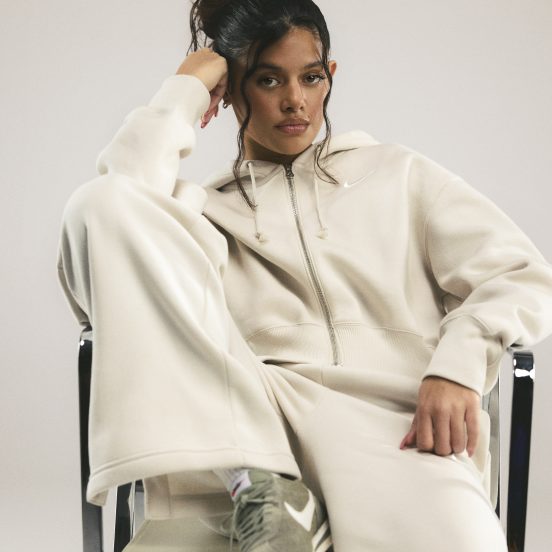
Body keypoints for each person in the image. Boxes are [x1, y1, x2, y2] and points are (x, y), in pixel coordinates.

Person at [57, 0, 552, 550]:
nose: (294, 100)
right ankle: (259, 484)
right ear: (230, 90)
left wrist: (457, 367)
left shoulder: (399, 175)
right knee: (98, 201)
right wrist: (184, 91)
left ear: (329, 77)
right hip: (245, 434)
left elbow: (519, 272)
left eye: (310, 78)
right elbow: (110, 208)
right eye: (268, 79)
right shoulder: (199, 212)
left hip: (396, 430)